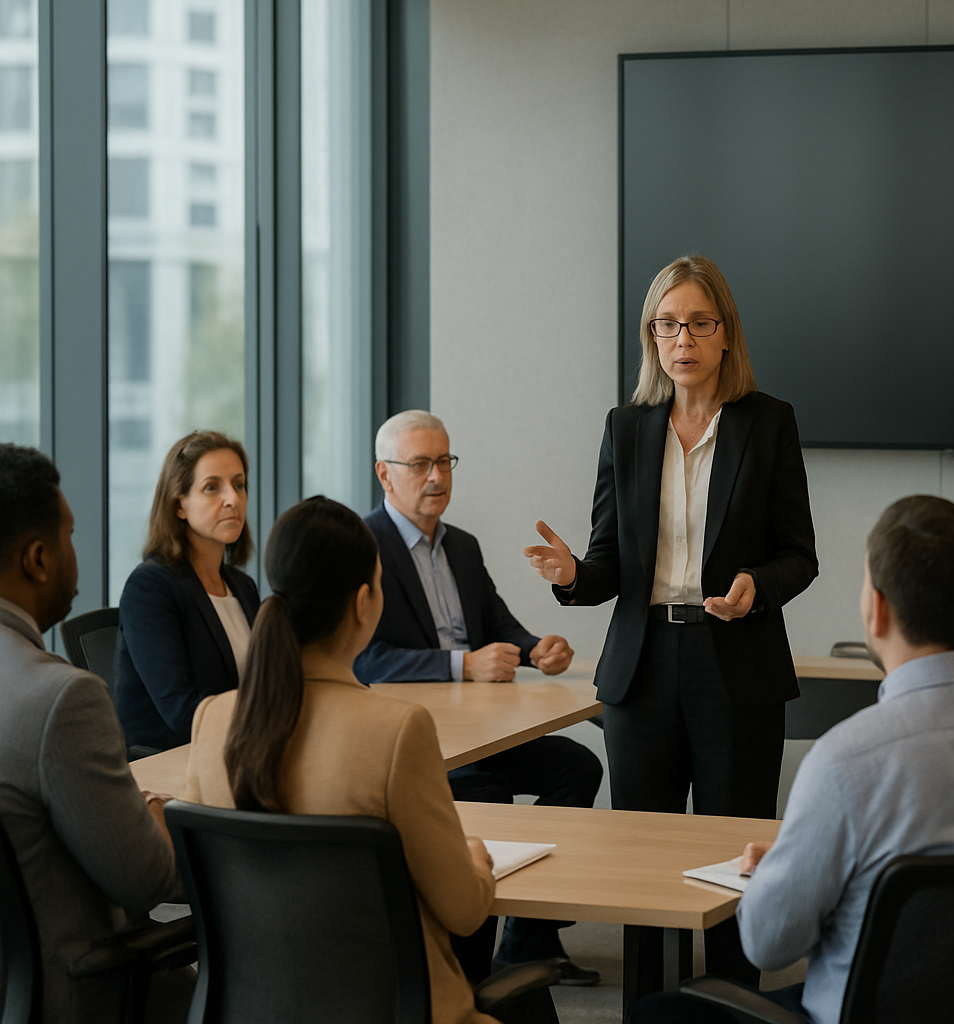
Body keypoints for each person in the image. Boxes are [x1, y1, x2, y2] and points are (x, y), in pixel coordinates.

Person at [629, 495, 954, 1024]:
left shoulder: (845, 761)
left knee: (658, 1014)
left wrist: (783, 867)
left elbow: (767, 944)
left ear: (876, 608)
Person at [526, 255, 817, 983]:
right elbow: (607, 564)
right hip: (643, 668)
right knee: (641, 864)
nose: (681, 338)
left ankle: (728, 1000)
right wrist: (571, 576)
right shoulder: (626, 429)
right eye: (666, 324)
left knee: (731, 858)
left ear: (725, 335)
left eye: (697, 323)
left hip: (736, 665)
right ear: (651, 338)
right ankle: (651, 1002)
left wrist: (756, 584)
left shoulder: (768, 422)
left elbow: (799, 554)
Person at [181, 496, 502, 1024]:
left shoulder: (213, 719)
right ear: (362, 602)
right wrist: (475, 858)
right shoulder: (397, 731)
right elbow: (465, 912)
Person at [356, 409, 601, 982]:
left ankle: (527, 939)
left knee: (577, 769)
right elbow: (366, 658)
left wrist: (539, 649)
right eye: (420, 464)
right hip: (417, 741)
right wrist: (461, 665)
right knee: (483, 790)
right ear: (384, 474)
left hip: (482, 729)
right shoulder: (363, 545)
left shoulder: (461, 545)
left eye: (445, 461)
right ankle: (471, 964)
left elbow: (498, 624)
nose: (437, 476)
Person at [0, 443, 190, 1024]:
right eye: (71, 535)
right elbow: (147, 880)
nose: (73, 553)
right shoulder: (63, 699)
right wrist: (155, 817)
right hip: (84, 996)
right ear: (38, 557)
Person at [115, 431, 260, 752]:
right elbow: (181, 712)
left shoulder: (242, 586)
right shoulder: (150, 587)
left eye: (239, 484)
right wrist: (270, 710)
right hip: (170, 763)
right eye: (212, 487)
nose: (232, 499)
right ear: (179, 505)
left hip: (237, 752)